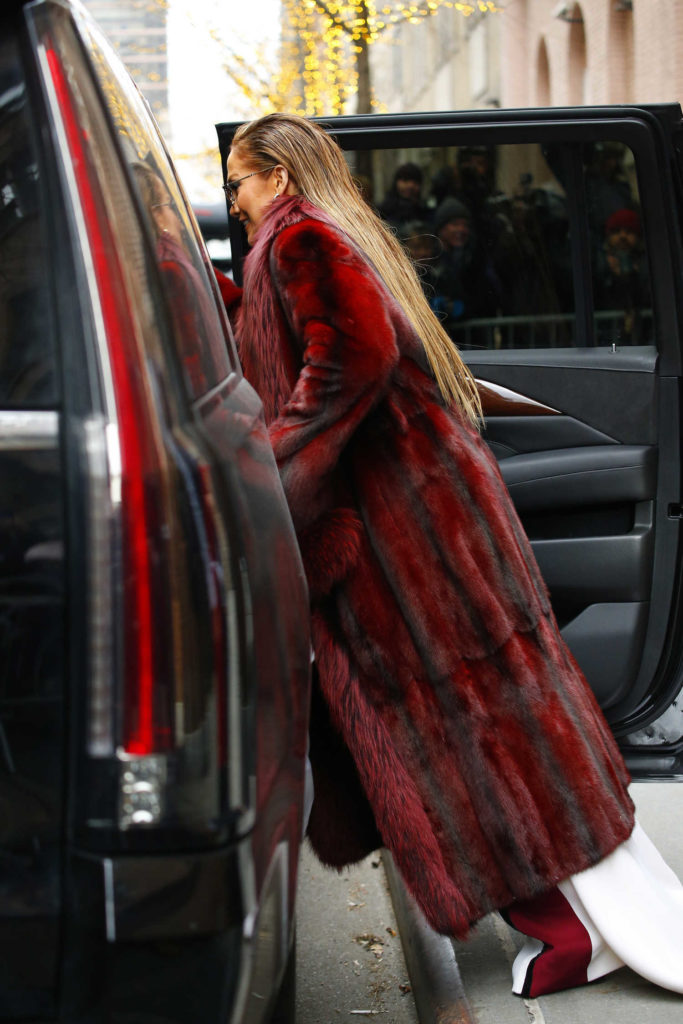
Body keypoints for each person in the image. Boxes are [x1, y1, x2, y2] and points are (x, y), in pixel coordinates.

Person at [224, 112, 683, 999]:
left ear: (277, 175)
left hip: (405, 544)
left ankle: (571, 930)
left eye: (240, 182)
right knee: (500, 731)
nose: (235, 201)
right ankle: (580, 919)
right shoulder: (323, 236)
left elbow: (350, 353)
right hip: (432, 524)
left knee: (465, 742)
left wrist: (276, 471)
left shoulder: (299, 238)